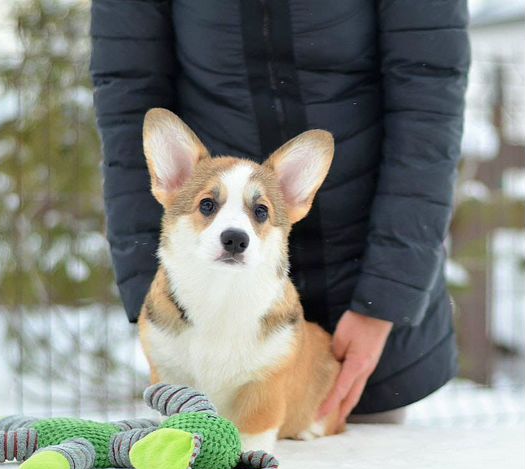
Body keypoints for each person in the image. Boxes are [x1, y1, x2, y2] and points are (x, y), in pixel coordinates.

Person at [90, 1, 470, 424]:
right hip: (202, 298)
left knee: (358, 464)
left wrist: (383, 300)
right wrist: (159, 302)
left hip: (358, 289)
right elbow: (129, 95)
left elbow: (428, 102)